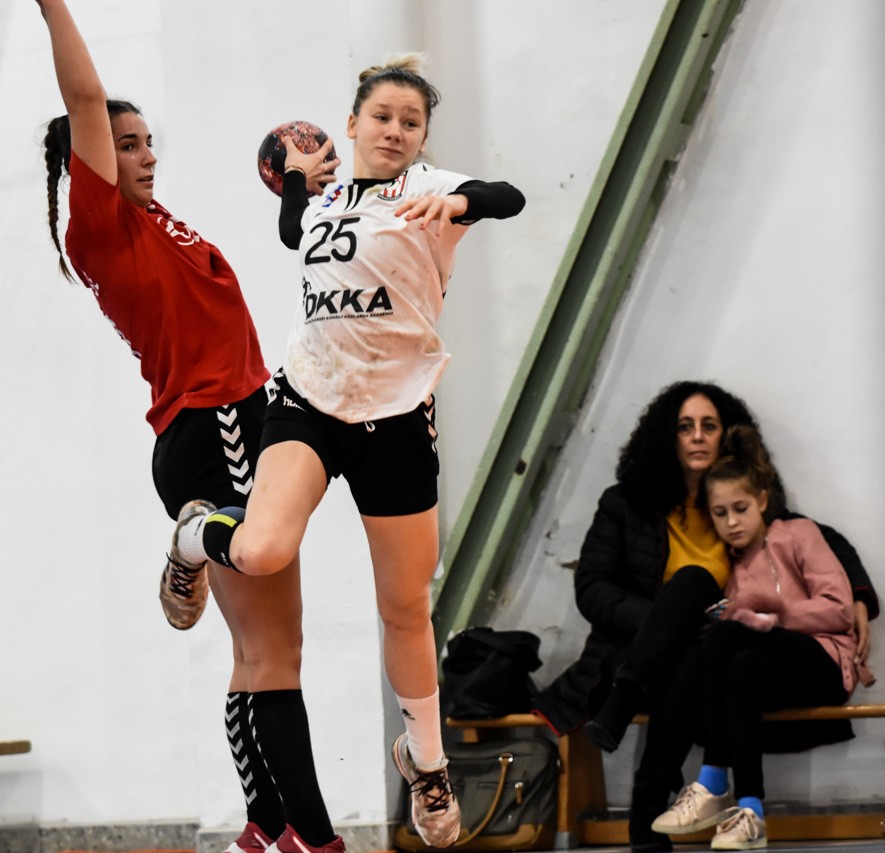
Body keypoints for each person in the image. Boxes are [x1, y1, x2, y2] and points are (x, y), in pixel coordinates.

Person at [170, 55, 525, 848]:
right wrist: (297, 182)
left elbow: (511, 196)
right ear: (353, 123)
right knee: (259, 550)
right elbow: (293, 231)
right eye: (383, 117)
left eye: (411, 121)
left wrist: (460, 201)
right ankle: (192, 539)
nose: (396, 130)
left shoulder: (428, 187)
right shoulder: (328, 197)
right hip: (309, 397)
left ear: (423, 136)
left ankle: (426, 763)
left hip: (396, 413)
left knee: (404, 605)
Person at [35, 4, 342, 853]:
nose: (146, 155)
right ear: (90, 162)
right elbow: (85, 97)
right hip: (217, 430)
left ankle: (265, 826)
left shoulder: (159, 222)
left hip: (239, 421)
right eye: (126, 146)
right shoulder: (101, 228)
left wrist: (303, 187)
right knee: (274, 654)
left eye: (147, 143)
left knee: (263, 651)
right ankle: (318, 840)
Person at [528, 381, 878, 851]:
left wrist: (860, 596)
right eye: (684, 426)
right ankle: (662, 801)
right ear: (666, 436)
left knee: (695, 627)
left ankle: (663, 802)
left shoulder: (733, 500)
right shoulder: (626, 503)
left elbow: (818, 538)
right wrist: (666, 623)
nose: (697, 436)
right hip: (642, 646)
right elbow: (591, 588)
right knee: (688, 608)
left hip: (717, 640)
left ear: (724, 435)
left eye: (708, 426)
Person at [647, 424, 874, 850]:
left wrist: (776, 614)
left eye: (740, 508)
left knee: (729, 635)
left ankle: (713, 779)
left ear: (762, 502)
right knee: (741, 663)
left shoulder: (798, 533)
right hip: (768, 672)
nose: (732, 522)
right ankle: (751, 811)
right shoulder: (725, 564)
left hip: (824, 660)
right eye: (720, 513)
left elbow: (840, 610)